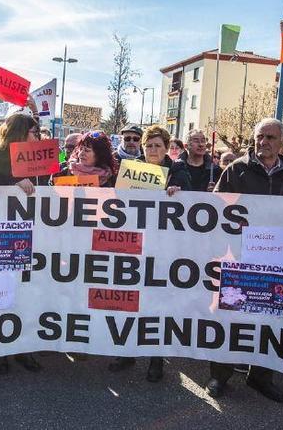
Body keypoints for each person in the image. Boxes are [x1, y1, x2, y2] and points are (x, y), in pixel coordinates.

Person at [205, 118, 283, 403]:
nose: (263, 142)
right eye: (259, 136)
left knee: (268, 321)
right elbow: (214, 210)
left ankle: (261, 377)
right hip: (239, 260)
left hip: (273, 265)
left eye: (270, 138)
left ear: (282, 143)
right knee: (232, 319)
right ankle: (220, 375)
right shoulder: (235, 170)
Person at [107, 124, 173, 380]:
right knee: (129, 302)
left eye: (157, 145)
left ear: (167, 148)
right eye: (148, 145)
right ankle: (127, 352)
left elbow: (191, 200)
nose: (152, 150)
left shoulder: (178, 171)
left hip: (163, 249)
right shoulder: (132, 170)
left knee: (157, 305)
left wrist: (176, 192)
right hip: (133, 246)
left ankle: (156, 360)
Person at [0, 113, 44, 374]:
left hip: (30, 232)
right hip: (0, 235)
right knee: (0, 293)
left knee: (24, 295)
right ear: (20, 132)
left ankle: (22, 349)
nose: (37, 137)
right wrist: (13, 183)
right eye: (33, 132)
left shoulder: (39, 158)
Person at [51, 131, 117, 187]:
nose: (80, 154)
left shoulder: (113, 179)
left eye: (87, 150)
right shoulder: (61, 172)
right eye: (80, 149)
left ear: (100, 155)